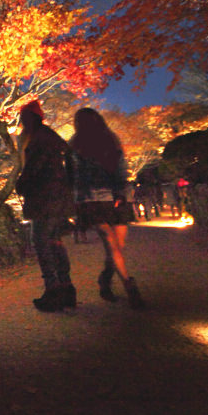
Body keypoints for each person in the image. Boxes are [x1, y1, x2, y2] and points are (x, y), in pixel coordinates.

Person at [69, 107, 146, 309]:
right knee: (112, 244)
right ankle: (130, 287)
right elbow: (72, 175)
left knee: (117, 247)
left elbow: (122, 168)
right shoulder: (75, 145)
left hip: (113, 198)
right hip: (93, 200)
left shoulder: (110, 141)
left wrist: (121, 192)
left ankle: (105, 280)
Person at [14, 100, 76, 312]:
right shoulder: (50, 137)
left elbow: (33, 167)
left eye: (24, 118)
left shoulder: (37, 139)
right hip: (59, 197)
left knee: (40, 241)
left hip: (44, 198)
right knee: (54, 240)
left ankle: (53, 290)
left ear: (31, 118)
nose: (22, 122)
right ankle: (66, 286)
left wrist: (21, 183)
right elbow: (68, 156)